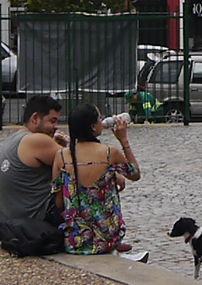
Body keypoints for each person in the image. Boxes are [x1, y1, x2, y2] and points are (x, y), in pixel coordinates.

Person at [53, 102, 141, 254]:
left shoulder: (61, 156)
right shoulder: (109, 153)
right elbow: (135, 174)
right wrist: (124, 140)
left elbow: (59, 202)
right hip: (108, 238)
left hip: (75, 241)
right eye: (100, 118)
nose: (103, 122)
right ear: (93, 126)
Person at [0, 93, 68, 227]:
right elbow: (81, 163)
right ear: (35, 118)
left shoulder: (16, 138)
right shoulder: (36, 140)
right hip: (33, 223)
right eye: (52, 121)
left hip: (5, 223)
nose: (56, 126)